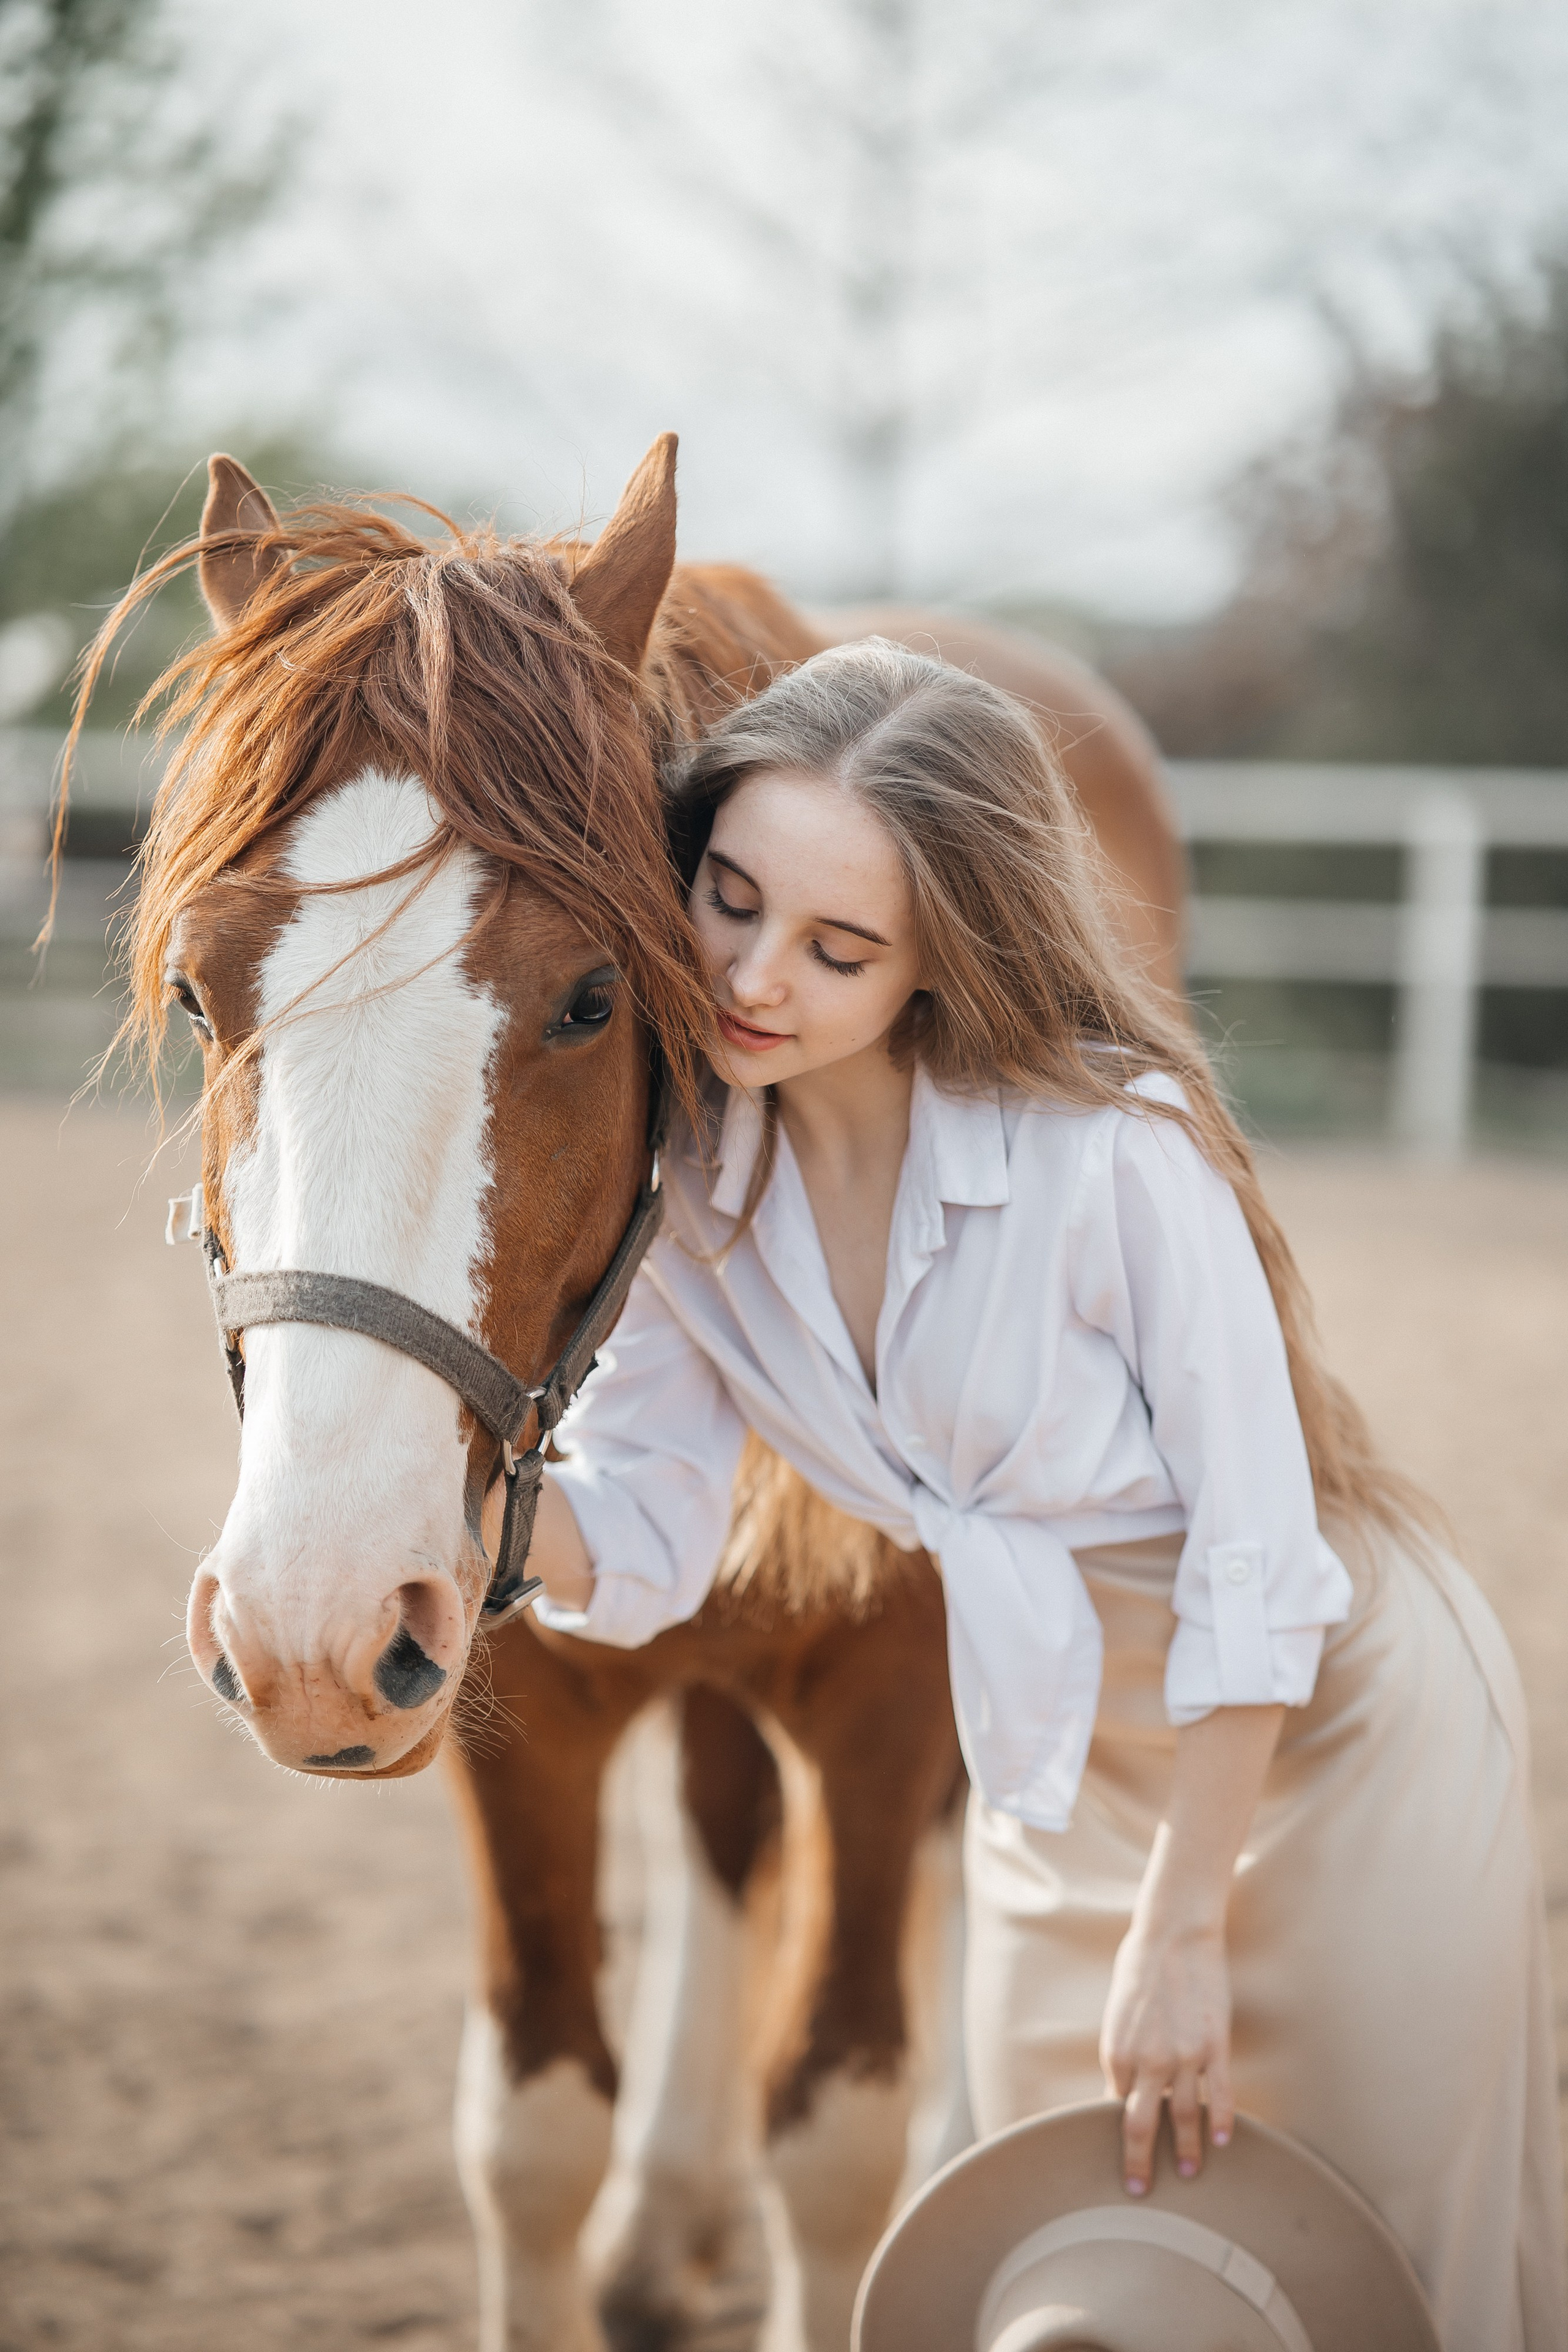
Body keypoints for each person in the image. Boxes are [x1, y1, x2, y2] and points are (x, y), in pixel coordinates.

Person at [520, 638, 1564, 2350]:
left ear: (936, 965)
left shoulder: (1113, 1154)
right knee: (1055, 2279)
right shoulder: (692, 1192)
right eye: (728, 899)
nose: (752, 975)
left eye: (837, 948)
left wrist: (1184, 1932)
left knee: (1376, 2266)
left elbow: (1254, 1552)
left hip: (1330, 1741)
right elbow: (635, 1538)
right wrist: (465, 1531)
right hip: (1054, 1768)